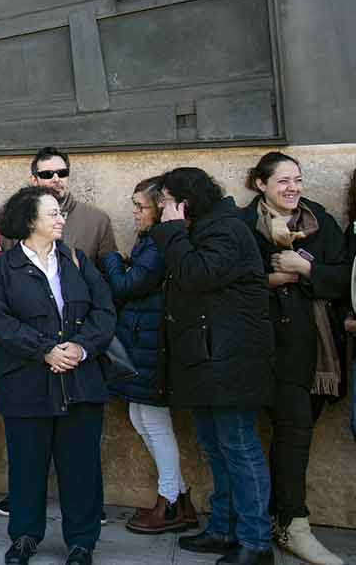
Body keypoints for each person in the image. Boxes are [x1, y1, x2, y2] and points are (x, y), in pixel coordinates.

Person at [150, 168, 275, 565]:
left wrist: (171, 231)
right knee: (217, 449)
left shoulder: (226, 229)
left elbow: (195, 274)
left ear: (186, 200)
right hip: (207, 360)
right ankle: (223, 530)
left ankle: (256, 543)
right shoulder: (207, 227)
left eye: (166, 200)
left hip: (229, 360)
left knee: (239, 448)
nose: (161, 208)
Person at [0, 185, 115, 565]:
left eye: (61, 213)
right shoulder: (2, 269)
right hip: (26, 383)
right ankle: (25, 536)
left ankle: (81, 542)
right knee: (27, 465)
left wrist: (81, 347)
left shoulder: (75, 259)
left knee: (81, 468)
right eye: (53, 214)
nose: (61, 219)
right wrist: (44, 350)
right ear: (30, 222)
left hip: (79, 381)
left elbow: (104, 311)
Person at [238, 152, 349, 565]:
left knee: (294, 434)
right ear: (261, 184)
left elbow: (344, 277)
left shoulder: (320, 220)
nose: (293, 188)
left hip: (317, 351)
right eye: (283, 181)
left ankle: (277, 519)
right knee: (293, 431)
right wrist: (272, 278)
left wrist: (304, 269)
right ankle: (292, 523)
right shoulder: (244, 225)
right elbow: (231, 282)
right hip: (268, 348)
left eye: (298, 180)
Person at [102, 177, 197, 535]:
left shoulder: (159, 242)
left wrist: (112, 259)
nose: (135, 213)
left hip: (153, 344)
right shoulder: (150, 241)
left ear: (159, 209)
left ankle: (170, 500)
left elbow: (128, 285)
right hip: (141, 341)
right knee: (141, 417)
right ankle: (180, 496)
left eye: (140, 206)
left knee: (155, 423)